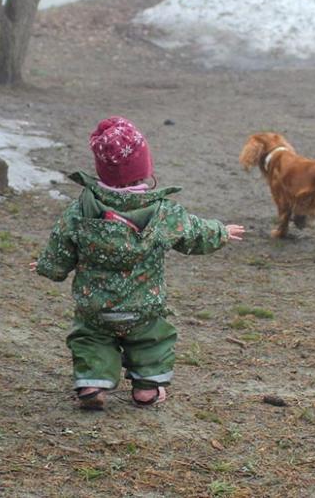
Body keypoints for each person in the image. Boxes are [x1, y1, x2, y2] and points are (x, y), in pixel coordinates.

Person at [32, 116, 245, 410]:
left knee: (90, 337)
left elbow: (62, 243)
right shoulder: (163, 212)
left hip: (96, 306)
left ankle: (92, 384)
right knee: (154, 338)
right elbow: (194, 232)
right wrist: (221, 231)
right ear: (144, 168)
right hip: (145, 306)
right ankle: (147, 388)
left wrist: (48, 266)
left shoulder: (81, 208)